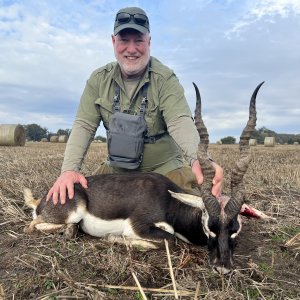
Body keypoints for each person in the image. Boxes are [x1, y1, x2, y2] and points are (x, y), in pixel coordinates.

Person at [47, 6, 223, 205]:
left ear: (149, 41)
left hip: (164, 170)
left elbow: (179, 122)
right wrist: (69, 170)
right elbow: (84, 126)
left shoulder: (165, 79)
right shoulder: (98, 80)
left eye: (139, 40)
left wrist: (198, 158)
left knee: (193, 208)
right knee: (72, 201)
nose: (131, 49)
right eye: (124, 40)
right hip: (117, 171)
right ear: (113, 41)